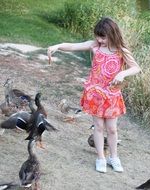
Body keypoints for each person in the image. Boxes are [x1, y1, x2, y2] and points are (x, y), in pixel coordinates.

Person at [47, 17, 141, 173]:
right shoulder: (94, 46)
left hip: (112, 95)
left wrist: (123, 74)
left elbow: (136, 68)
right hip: (95, 94)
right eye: (98, 36)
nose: (99, 40)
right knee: (98, 127)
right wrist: (57, 46)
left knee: (112, 129)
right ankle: (101, 158)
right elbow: (73, 46)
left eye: (103, 37)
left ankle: (114, 157)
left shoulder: (121, 51)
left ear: (113, 34)